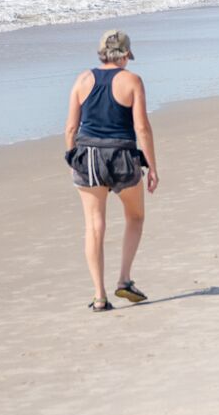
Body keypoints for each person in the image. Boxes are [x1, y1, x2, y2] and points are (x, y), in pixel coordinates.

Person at [64, 29, 158, 313]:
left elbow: (70, 127)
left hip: (88, 156)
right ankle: (124, 279)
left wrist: (72, 157)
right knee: (136, 216)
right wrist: (152, 166)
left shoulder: (82, 79)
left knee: (94, 226)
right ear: (126, 54)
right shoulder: (132, 81)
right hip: (121, 156)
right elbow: (141, 127)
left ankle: (99, 296)